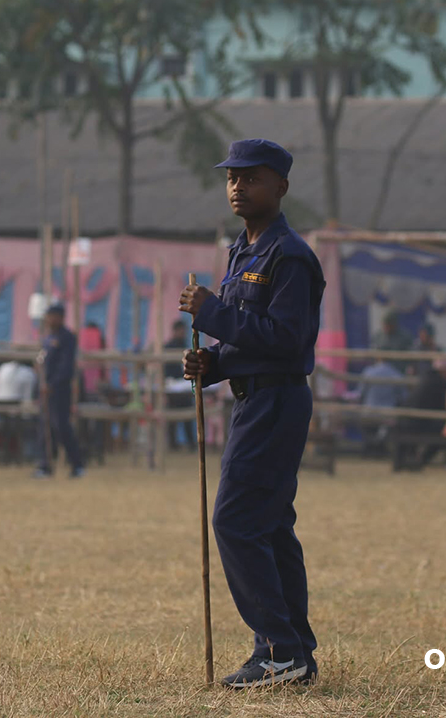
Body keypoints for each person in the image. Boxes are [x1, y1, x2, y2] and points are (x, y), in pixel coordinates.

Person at [179, 138, 324, 688]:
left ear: (280, 187)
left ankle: (278, 652)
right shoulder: (243, 250)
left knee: (236, 521)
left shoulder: (289, 256)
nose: (238, 186)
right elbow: (250, 338)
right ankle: (295, 653)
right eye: (232, 177)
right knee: (269, 525)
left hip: (277, 400)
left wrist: (213, 313)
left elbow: (286, 340)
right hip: (252, 398)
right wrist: (212, 364)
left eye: (252, 177)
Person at [35, 303, 84, 478]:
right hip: (45, 390)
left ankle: (77, 464)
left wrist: (53, 384)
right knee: (44, 428)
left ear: (60, 317)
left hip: (60, 390)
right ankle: (45, 465)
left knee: (61, 427)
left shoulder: (67, 338)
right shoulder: (48, 338)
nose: (49, 320)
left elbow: (66, 366)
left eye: (52, 316)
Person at [163, 319, 197, 450]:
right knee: (172, 416)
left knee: (187, 415)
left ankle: (190, 443)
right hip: (173, 386)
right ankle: (173, 444)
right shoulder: (169, 347)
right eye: (181, 330)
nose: (182, 333)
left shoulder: (185, 345)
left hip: (183, 386)